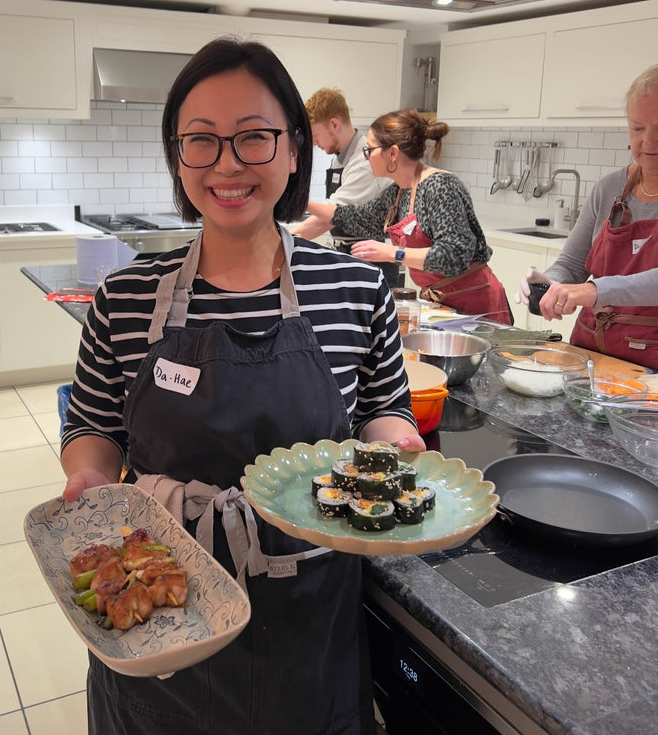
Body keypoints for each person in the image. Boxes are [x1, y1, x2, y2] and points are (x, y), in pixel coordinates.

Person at [60, 37, 426, 735]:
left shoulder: (354, 288)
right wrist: (88, 480)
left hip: (309, 613)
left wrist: (398, 442)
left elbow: (382, 408)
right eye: (201, 141)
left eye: (253, 138)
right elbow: (93, 429)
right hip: (163, 612)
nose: (227, 165)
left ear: (294, 150)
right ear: (178, 157)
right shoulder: (126, 297)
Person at [303, 109, 513, 324]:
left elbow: (454, 256)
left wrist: (394, 253)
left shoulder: (439, 187)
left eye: (370, 150)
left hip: (478, 306)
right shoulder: (400, 192)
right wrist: (303, 202)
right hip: (444, 306)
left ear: (392, 153)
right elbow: (358, 217)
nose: (367, 157)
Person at [516, 63, 658, 369]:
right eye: (637, 128)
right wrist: (550, 284)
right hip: (590, 357)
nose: (648, 141)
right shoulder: (610, 188)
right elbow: (572, 264)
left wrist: (595, 290)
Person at [291, 87, 391, 241]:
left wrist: (284, 241)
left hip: (370, 256)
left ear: (334, 125)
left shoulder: (364, 163)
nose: (314, 143)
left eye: (315, 135)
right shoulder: (339, 157)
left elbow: (328, 219)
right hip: (348, 249)